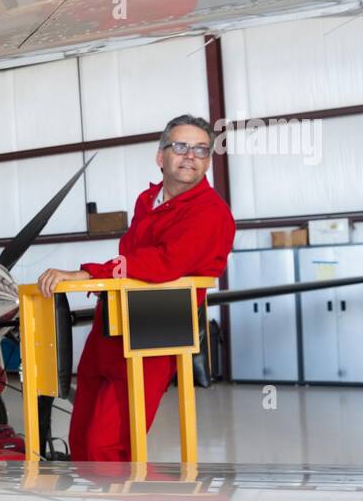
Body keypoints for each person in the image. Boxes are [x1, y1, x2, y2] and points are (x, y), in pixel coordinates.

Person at [36, 115, 235, 463]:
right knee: (81, 439)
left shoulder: (211, 213)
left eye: (201, 149)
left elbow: (163, 265)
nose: (191, 155)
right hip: (111, 324)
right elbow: (134, 259)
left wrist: (90, 272)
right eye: (180, 146)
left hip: (154, 329)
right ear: (161, 157)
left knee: (107, 447)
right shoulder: (148, 200)